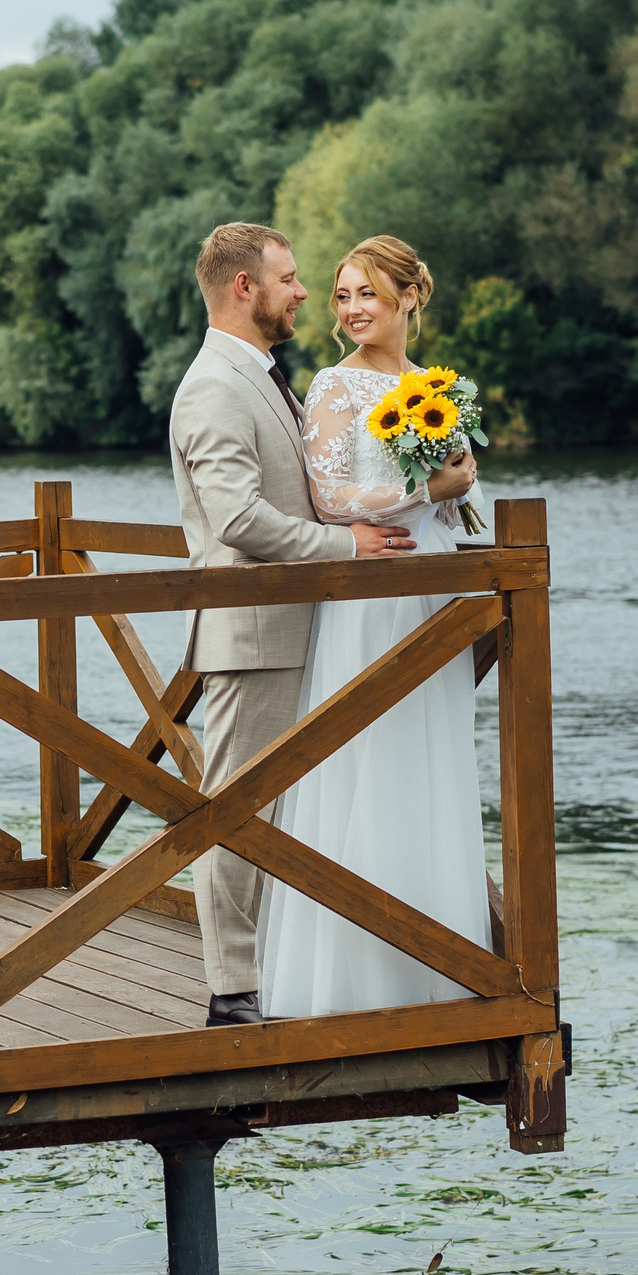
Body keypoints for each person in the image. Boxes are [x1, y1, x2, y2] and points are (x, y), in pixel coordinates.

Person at [167, 222, 416, 1028]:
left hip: (302, 628)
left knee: (290, 807)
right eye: (290, 278)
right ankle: (233, 991)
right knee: (235, 809)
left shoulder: (265, 377)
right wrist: (345, 546)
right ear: (245, 287)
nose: (304, 293)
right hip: (255, 632)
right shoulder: (212, 386)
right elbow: (238, 519)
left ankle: (287, 965)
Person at [255, 234, 492, 1019]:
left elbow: (451, 502)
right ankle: (350, 975)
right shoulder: (333, 387)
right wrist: (427, 488)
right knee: (364, 755)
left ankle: (434, 966)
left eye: (369, 295)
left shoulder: (437, 387)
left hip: (430, 587)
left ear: (409, 299)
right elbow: (329, 498)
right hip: (370, 595)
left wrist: (456, 486)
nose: (353, 309)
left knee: (428, 756)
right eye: (342, 295)